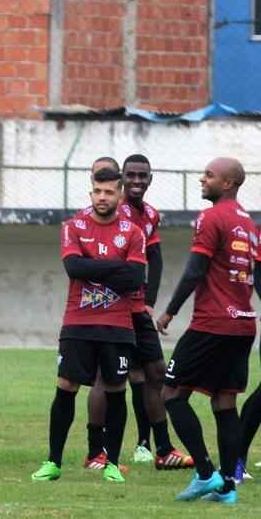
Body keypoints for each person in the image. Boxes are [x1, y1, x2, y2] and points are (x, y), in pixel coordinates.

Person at [31, 168, 145, 484]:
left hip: (118, 326)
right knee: (65, 388)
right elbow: (73, 267)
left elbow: (135, 279)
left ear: (120, 195)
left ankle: (111, 462)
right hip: (78, 323)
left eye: (109, 192)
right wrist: (115, 267)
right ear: (91, 193)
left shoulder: (133, 232)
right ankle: (53, 461)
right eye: (98, 191)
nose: (102, 197)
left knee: (115, 391)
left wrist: (92, 267)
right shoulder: (73, 227)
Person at [156, 157, 258, 504]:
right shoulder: (250, 225)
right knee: (224, 402)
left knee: (171, 395)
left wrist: (169, 311)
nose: (202, 178)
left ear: (228, 183)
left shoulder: (211, 218)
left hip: (212, 324)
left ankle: (204, 474)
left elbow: (195, 270)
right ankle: (228, 488)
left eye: (210, 175)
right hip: (244, 325)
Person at [117, 154, 191, 470]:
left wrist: (150, 300)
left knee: (155, 373)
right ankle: (100, 453)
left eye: (142, 176)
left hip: (137, 308)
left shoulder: (150, 215)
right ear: (122, 177)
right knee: (112, 379)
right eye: (131, 175)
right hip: (112, 310)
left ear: (150, 178)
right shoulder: (112, 212)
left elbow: (155, 258)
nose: (136, 181)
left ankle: (162, 448)